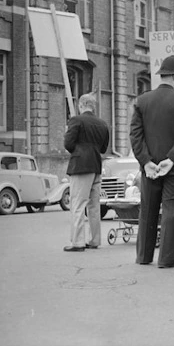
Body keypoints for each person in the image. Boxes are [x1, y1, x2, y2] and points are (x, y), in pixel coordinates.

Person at [130, 55, 174, 268]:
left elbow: (135, 135)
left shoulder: (142, 100)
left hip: (149, 167)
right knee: (171, 210)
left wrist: (146, 161)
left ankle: (144, 256)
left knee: (148, 210)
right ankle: (166, 259)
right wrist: (171, 158)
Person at [63, 93, 110, 252]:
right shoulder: (102, 124)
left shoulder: (76, 120)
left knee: (77, 204)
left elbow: (68, 144)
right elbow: (103, 148)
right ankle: (94, 240)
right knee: (94, 206)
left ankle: (78, 242)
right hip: (96, 165)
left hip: (81, 166)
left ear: (81, 105)